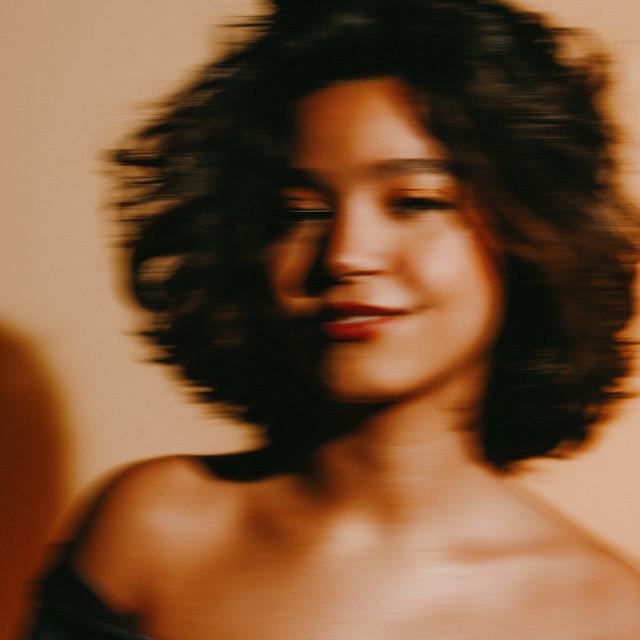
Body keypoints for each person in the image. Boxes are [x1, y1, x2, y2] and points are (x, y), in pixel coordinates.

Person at [25, 0, 640, 637]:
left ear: (533, 233)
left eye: (414, 202)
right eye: (302, 213)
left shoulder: (606, 612)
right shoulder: (155, 528)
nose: (345, 253)